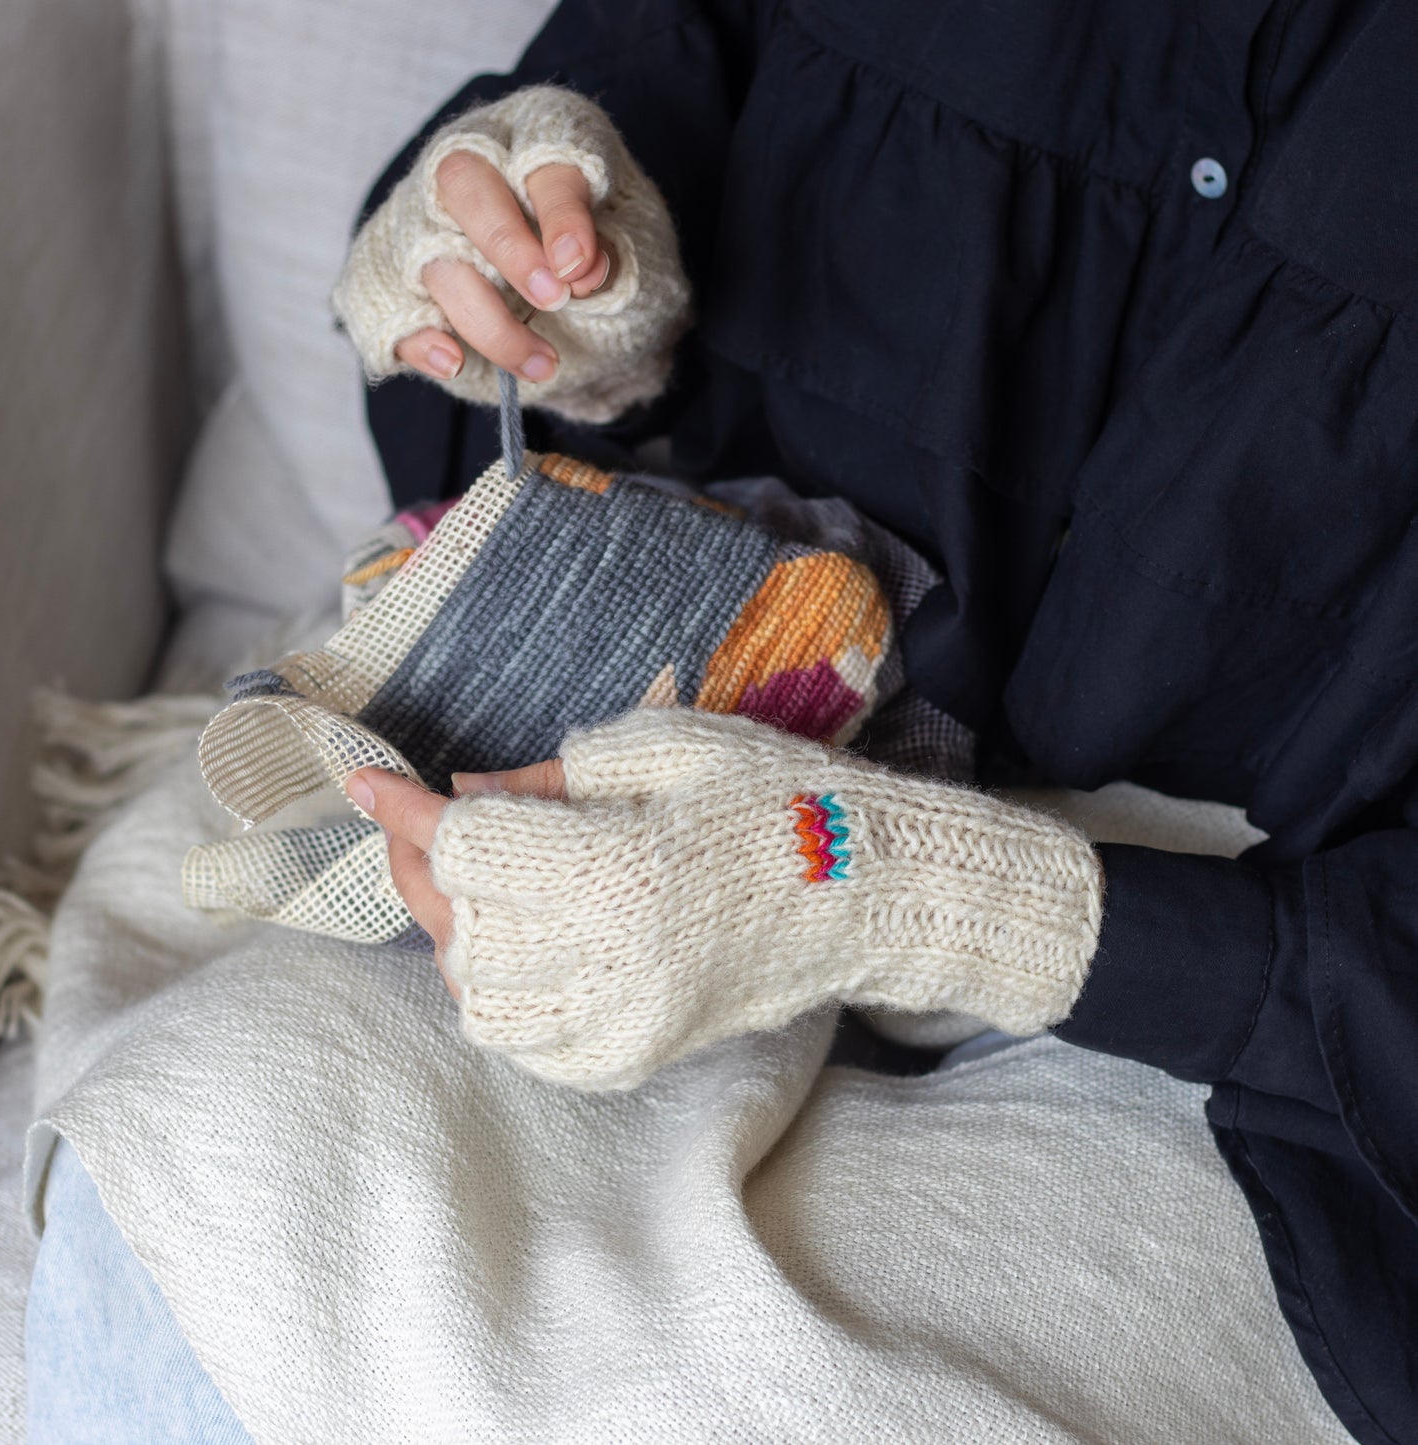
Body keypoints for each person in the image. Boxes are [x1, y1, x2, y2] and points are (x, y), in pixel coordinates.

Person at [331, 2, 1418, 1441]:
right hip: (627, 764)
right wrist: (570, 299)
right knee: (234, 1200)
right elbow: (654, 66)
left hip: (1277, 1063)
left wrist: (900, 888)